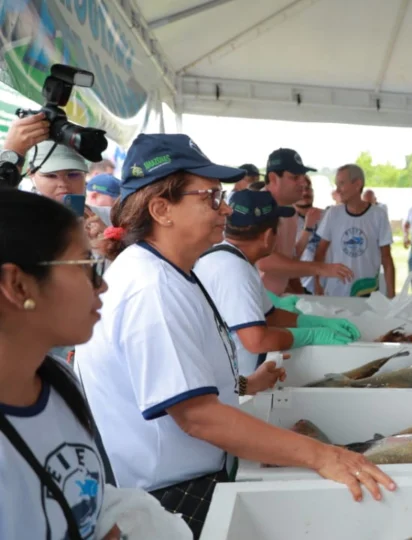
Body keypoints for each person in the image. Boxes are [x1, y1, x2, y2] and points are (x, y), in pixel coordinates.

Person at [73, 134, 394, 537]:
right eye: (209, 197)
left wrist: (246, 391)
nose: (225, 208)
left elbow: (187, 374)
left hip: (189, 475)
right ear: (161, 209)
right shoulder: (150, 288)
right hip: (169, 495)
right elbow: (197, 416)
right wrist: (320, 455)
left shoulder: (173, 272)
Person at [0, 191, 129, 539]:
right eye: (86, 265)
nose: (101, 284)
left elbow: (95, 520)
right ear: (17, 284)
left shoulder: (59, 383)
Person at [194, 190, 359, 377]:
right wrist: (311, 335)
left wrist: (317, 323)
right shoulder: (234, 269)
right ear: (267, 236)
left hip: (233, 381)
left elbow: (271, 316)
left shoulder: (229, 259)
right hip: (233, 383)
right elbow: (256, 341)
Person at [256, 148, 351, 296]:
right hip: (254, 303)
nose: (302, 183)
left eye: (303, 176)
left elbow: (290, 261)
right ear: (273, 178)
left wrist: (299, 295)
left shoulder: (290, 212)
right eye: (295, 177)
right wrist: (320, 268)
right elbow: (264, 261)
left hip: (275, 301)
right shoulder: (257, 207)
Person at [315, 164, 396, 298]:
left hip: (367, 291)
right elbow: (320, 252)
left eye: (341, 184)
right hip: (336, 293)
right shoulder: (333, 214)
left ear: (357, 184)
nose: (338, 190)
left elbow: (386, 258)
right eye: (336, 184)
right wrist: (317, 283)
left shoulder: (378, 215)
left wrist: (391, 294)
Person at [294, 177, 324, 293]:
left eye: (308, 188)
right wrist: (308, 227)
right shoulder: (285, 220)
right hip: (302, 286)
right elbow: (292, 257)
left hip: (329, 284)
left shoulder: (327, 216)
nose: (305, 192)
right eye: (300, 189)